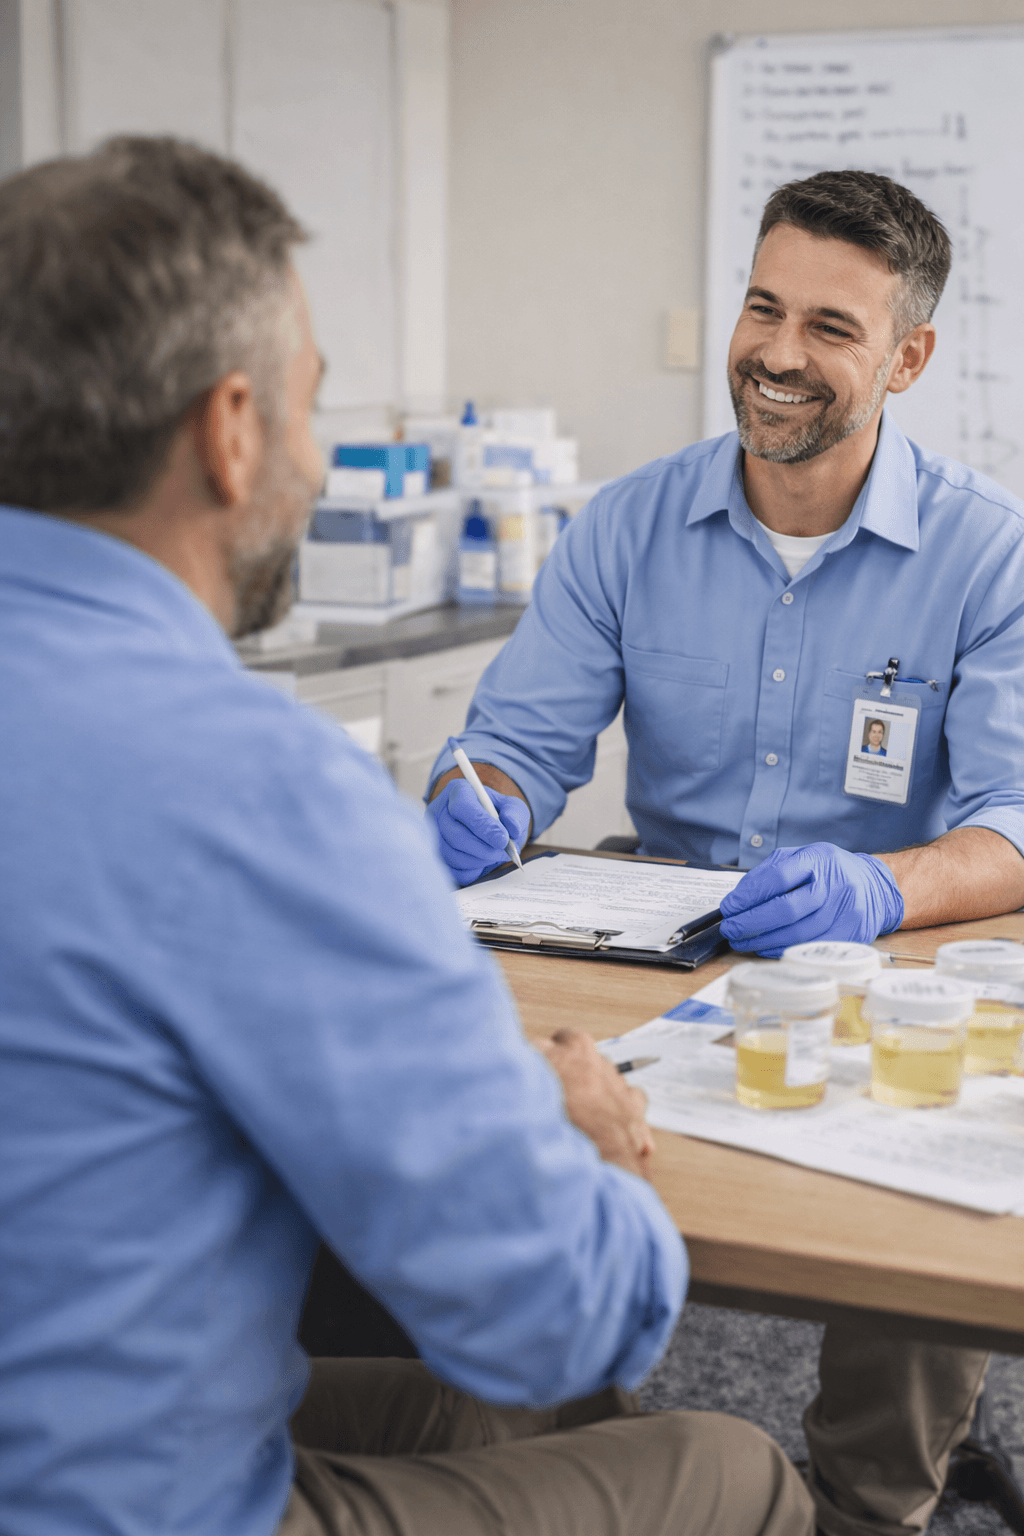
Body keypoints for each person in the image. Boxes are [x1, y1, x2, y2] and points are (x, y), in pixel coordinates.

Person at [0, 138, 815, 1536]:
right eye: (314, 410)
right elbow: (560, 1316)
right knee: (734, 1469)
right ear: (233, 427)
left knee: (462, 1415)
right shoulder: (257, 788)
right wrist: (576, 1143)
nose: (319, 462)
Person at [428, 170, 1024, 1536]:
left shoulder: (988, 556)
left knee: (937, 1225)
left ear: (909, 357)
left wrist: (885, 884)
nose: (778, 354)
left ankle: (872, 1506)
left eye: (831, 326)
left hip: (885, 970)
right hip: (655, 960)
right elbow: (517, 743)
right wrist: (488, 792)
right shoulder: (630, 528)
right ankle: (582, 1465)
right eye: (765, 307)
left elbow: (1016, 820)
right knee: (510, 1139)